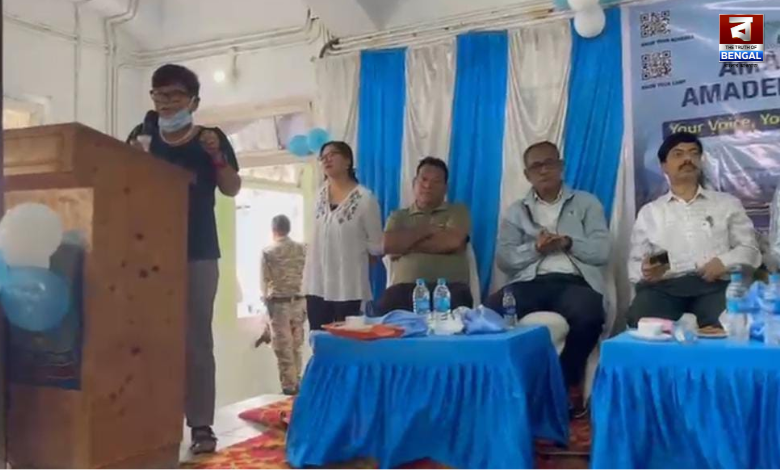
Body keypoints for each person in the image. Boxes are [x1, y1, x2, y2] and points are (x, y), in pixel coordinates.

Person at [127, 64, 241, 454]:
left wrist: (216, 157)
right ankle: (155, 419)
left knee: (196, 341)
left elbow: (231, 188)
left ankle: (201, 424)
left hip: (198, 251)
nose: (165, 102)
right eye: (158, 94)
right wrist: (134, 159)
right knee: (151, 338)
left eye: (174, 95)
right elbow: (125, 184)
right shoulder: (141, 136)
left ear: (193, 101)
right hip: (149, 251)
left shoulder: (210, 138)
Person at [486, 141, 609, 401]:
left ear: (561, 166)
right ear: (527, 174)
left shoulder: (587, 203)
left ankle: (563, 384)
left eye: (549, 163)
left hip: (574, 282)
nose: (543, 170)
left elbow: (601, 251)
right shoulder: (516, 212)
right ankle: (504, 387)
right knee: (489, 314)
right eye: (536, 166)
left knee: (589, 315)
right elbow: (505, 260)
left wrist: (568, 242)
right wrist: (536, 249)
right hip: (530, 283)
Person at [627, 132, 761, 328]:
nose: (687, 159)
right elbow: (635, 265)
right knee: (641, 318)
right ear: (664, 166)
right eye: (678, 154)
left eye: (693, 153)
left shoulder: (727, 204)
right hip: (665, 288)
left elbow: (750, 250)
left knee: (731, 323)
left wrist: (724, 262)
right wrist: (647, 271)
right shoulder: (650, 212)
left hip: (716, 285)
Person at [302, 141, 383, 329]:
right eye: (323, 157)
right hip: (317, 284)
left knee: (347, 341)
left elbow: (376, 245)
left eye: (332, 154)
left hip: (349, 286)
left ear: (347, 161)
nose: (326, 160)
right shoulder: (318, 196)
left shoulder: (365, 199)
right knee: (319, 339)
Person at [379, 157, 472, 314]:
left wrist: (405, 245)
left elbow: (452, 242)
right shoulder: (398, 216)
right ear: (414, 183)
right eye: (424, 179)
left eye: (436, 181)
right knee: (386, 309)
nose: (428, 186)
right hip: (404, 290)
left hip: (449, 289)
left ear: (445, 188)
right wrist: (428, 230)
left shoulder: (457, 211)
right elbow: (388, 245)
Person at [261, 215, 307, 396]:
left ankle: (289, 390)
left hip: (279, 306)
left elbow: (264, 283)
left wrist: (265, 311)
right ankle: (298, 385)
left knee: (283, 350)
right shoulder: (302, 249)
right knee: (296, 347)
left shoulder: (268, 252)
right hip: (299, 302)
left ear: (274, 230)